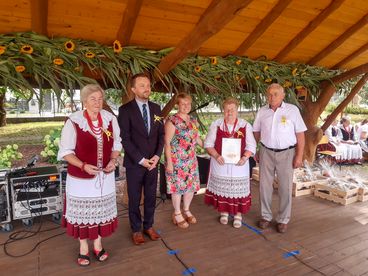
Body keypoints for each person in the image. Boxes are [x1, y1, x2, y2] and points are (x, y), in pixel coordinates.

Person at [58, 84, 122, 266]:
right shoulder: (74, 121)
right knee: (83, 214)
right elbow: (66, 152)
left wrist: (113, 160)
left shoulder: (110, 119)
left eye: (100, 98)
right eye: (93, 99)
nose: (97, 102)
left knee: (101, 210)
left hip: (104, 177)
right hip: (81, 180)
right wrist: (83, 165)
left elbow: (117, 144)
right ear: (84, 101)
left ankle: (98, 244)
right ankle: (83, 248)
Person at [118, 73, 164, 245]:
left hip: (153, 163)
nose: (147, 88)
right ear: (133, 89)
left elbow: (161, 134)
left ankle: (149, 226)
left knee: (152, 196)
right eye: (143, 85)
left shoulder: (156, 108)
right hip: (135, 163)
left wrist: (157, 156)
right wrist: (141, 160)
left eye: (148, 85)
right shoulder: (125, 110)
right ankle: (136, 229)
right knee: (135, 198)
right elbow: (125, 139)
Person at [253, 83, 306, 233]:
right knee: (264, 186)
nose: (272, 97)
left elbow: (300, 134)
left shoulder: (292, 110)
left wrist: (299, 156)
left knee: (285, 187)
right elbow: (256, 131)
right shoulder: (262, 111)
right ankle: (265, 216)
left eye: (276, 94)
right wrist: (256, 149)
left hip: (287, 153)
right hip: (266, 152)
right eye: (269, 94)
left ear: (283, 96)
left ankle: (283, 219)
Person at [204, 97, 256, 228]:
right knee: (225, 189)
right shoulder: (216, 124)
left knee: (237, 190)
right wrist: (216, 155)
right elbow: (208, 144)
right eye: (227, 110)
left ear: (237, 110)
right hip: (220, 164)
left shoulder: (245, 125)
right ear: (223, 110)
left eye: (232, 109)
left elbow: (251, 146)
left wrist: (244, 158)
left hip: (239, 165)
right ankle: (224, 212)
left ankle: (238, 214)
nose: (230, 112)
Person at [164, 93, 203, 229]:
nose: (186, 106)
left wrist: (210, 146)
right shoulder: (172, 121)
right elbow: (167, 143)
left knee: (190, 186)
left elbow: (196, 138)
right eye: (183, 104)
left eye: (188, 104)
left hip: (191, 160)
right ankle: (177, 213)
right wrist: (169, 162)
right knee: (178, 187)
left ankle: (186, 209)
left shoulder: (192, 120)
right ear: (177, 105)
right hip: (177, 160)